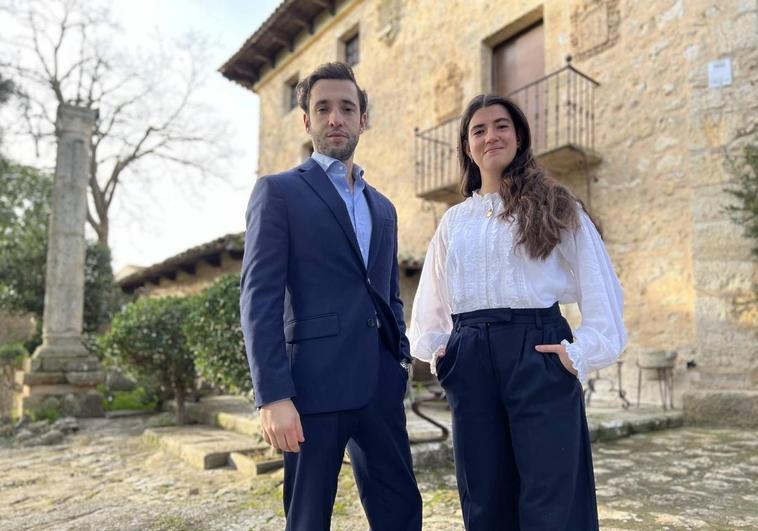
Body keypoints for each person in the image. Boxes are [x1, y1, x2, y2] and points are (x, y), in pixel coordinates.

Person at [409, 94, 626, 530]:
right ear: (468, 147)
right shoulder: (454, 221)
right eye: (479, 130)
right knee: (484, 493)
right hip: (470, 355)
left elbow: (600, 287)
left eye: (501, 125)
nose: (491, 135)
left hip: (538, 349)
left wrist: (580, 351)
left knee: (552, 489)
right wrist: (440, 351)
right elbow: (431, 299)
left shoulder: (556, 204)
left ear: (519, 135)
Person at [240, 62, 422, 531]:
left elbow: (387, 294)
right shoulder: (278, 192)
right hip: (310, 391)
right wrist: (272, 395)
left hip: (379, 385)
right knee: (307, 518)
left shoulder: (383, 207)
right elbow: (258, 298)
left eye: (347, 108)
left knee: (401, 509)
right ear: (307, 121)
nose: (335, 118)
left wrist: (398, 359)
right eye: (323, 108)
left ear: (364, 119)